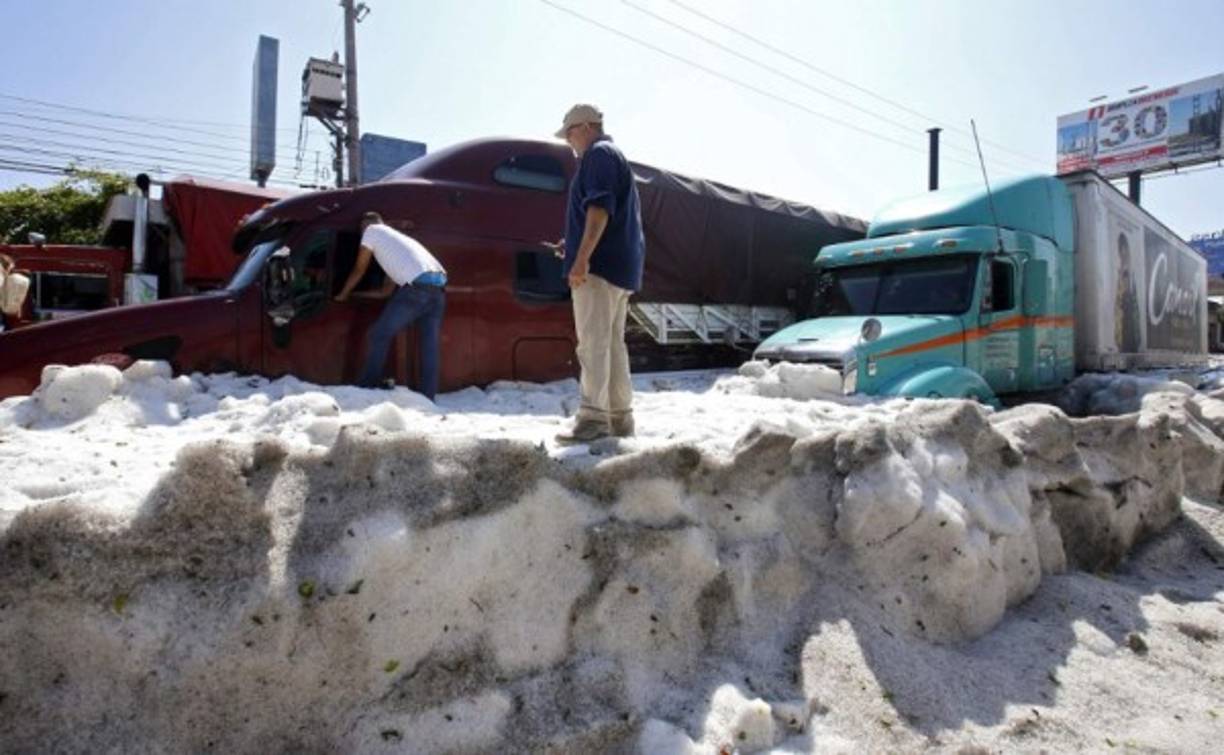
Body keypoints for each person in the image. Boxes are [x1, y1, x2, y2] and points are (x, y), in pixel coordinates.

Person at [550, 104, 646, 443]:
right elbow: (608, 215)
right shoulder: (614, 156)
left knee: (592, 344)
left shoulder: (598, 155)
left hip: (600, 269)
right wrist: (572, 244)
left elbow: (599, 207)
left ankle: (592, 421)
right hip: (619, 269)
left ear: (587, 127)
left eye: (570, 133)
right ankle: (620, 419)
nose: (569, 141)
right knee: (612, 345)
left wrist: (581, 259)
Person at [335, 212, 448, 399]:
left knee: (378, 334)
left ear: (366, 226)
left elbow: (359, 269)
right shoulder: (397, 244)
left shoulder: (372, 230)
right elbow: (385, 292)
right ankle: (429, 397)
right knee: (429, 346)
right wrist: (357, 294)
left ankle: (366, 389)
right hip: (439, 289)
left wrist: (343, 294)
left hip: (417, 288)